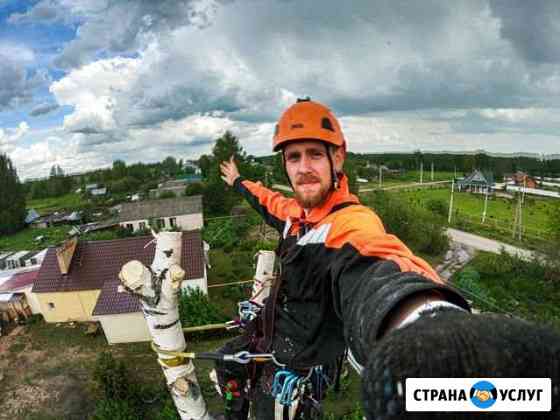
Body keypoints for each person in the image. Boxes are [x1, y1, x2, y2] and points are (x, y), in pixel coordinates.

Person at [216, 98, 560, 420]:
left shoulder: (350, 223)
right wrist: (238, 181)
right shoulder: (294, 214)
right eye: (294, 157)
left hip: (296, 363)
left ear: (337, 158)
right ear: (285, 165)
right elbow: (267, 200)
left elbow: (380, 265)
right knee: (227, 364)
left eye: (314, 155)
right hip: (274, 336)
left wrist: (431, 332)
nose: (304, 168)